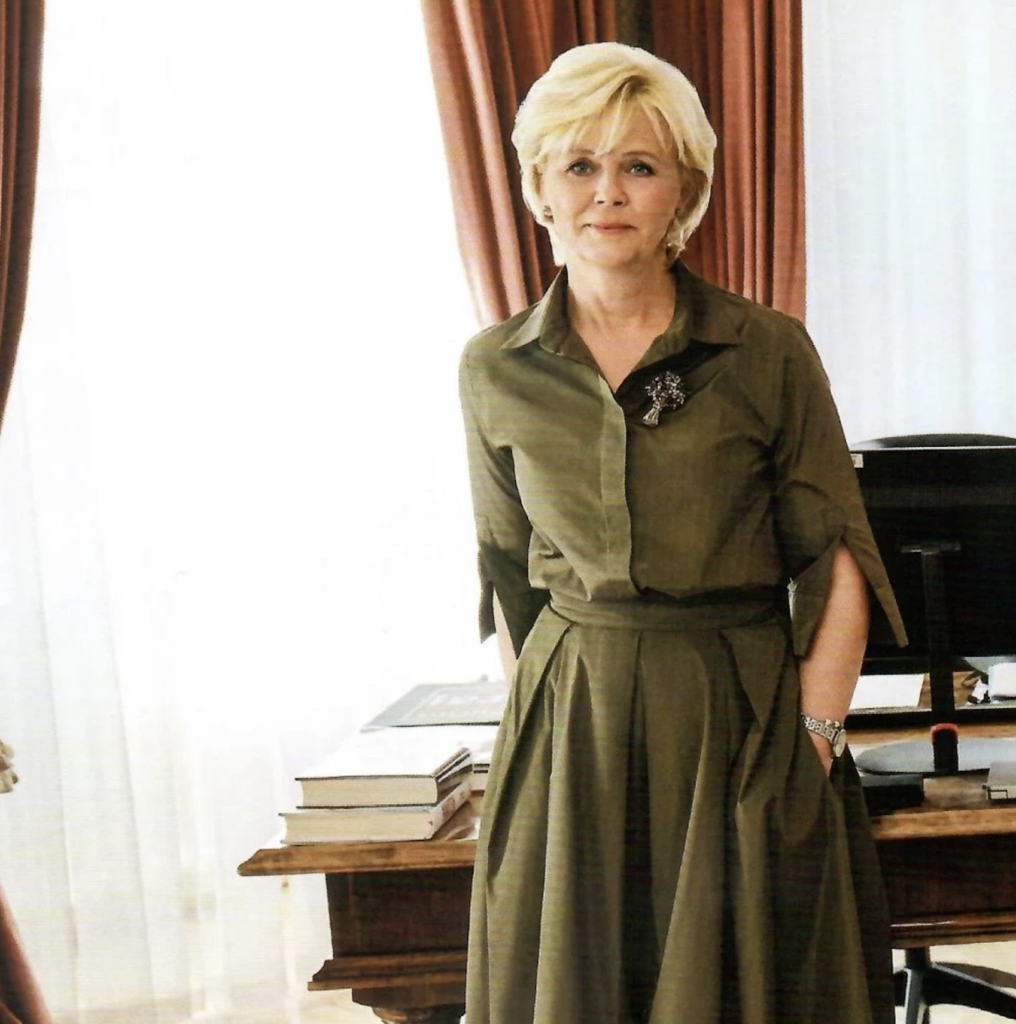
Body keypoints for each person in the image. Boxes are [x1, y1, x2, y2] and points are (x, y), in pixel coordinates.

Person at [458, 41, 907, 1024]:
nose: (606, 193)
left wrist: (813, 741)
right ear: (540, 188)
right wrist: (538, 746)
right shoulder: (493, 367)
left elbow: (835, 561)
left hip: (738, 719)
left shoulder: (767, 350)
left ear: (683, 192)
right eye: (579, 164)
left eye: (639, 166)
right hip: (573, 731)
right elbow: (506, 576)